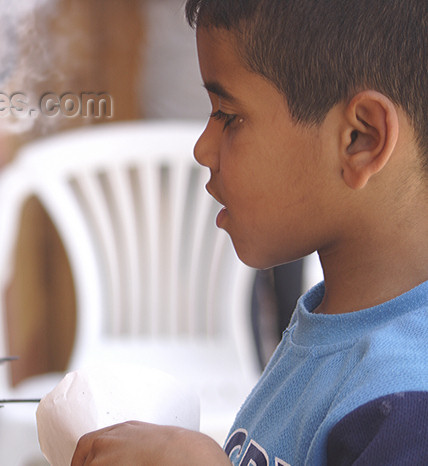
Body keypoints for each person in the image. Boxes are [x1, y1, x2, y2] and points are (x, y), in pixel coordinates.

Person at [70, 0, 428, 464]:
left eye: (228, 115)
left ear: (360, 138)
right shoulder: (333, 328)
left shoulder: (408, 403)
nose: (202, 148)